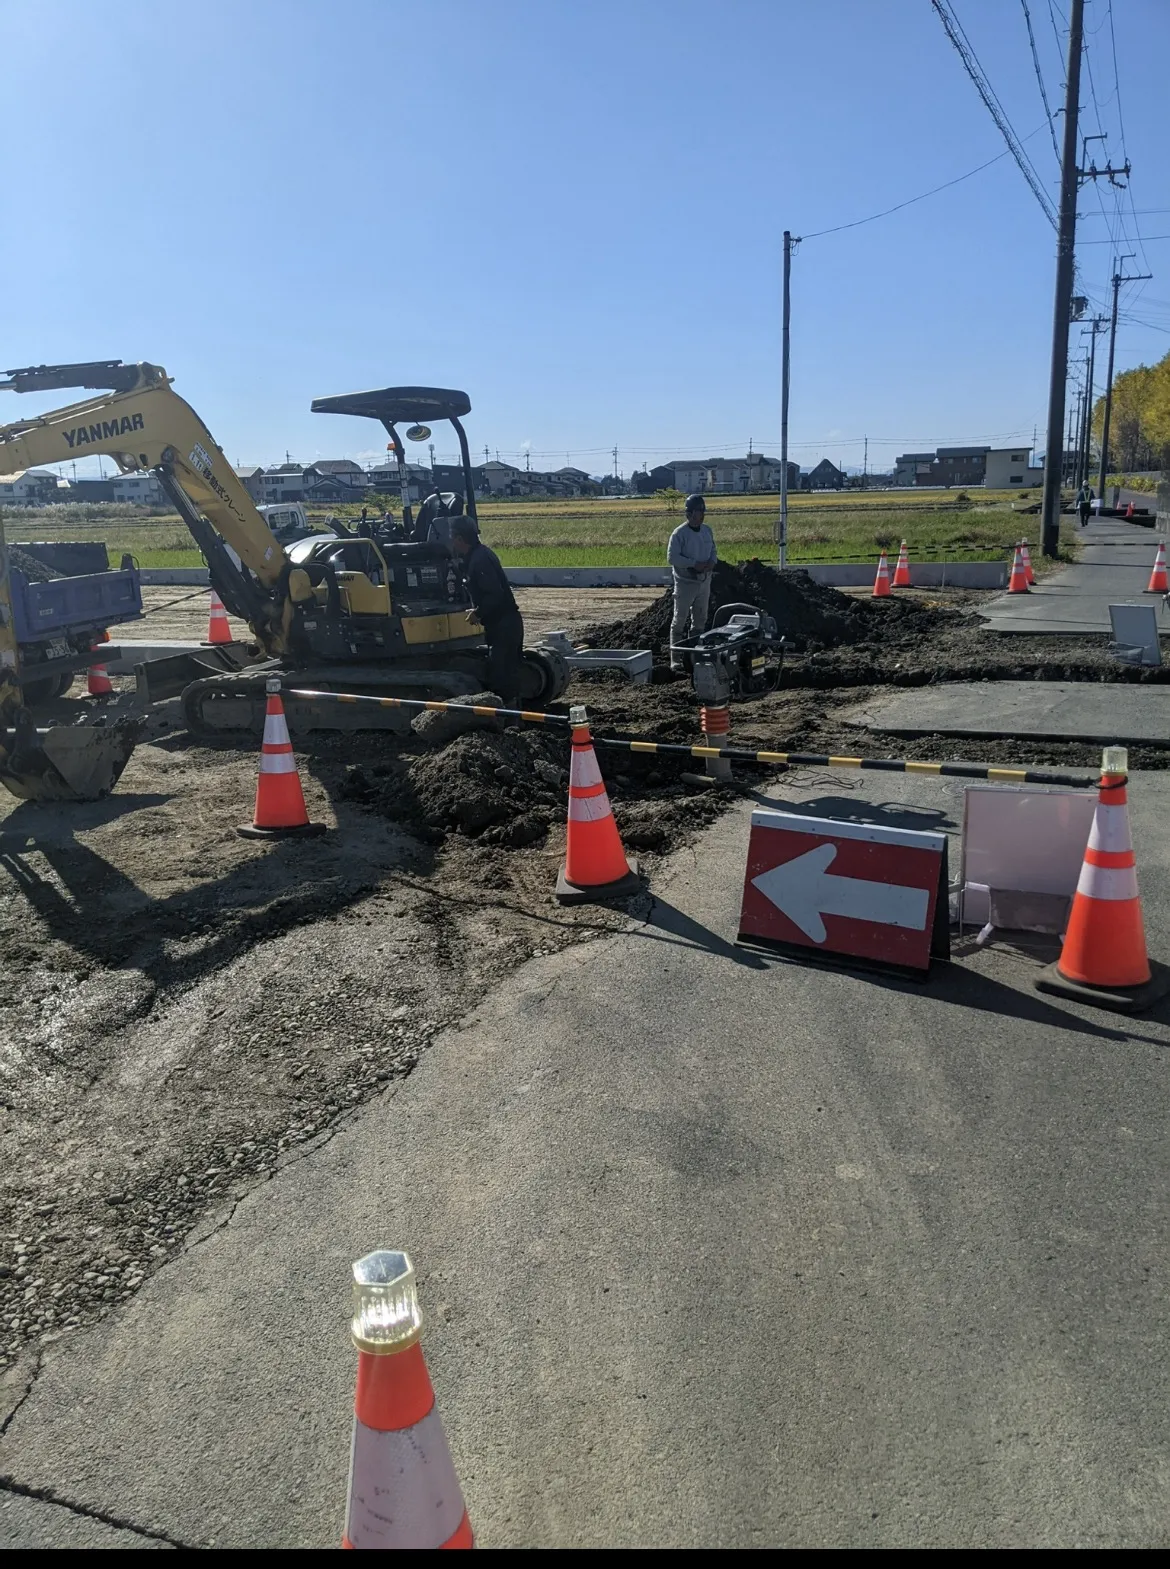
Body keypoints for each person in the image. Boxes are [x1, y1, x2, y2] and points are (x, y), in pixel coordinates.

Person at [449, 517, 524, 703]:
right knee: (508, 673)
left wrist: (478, 613)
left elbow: (494, 594)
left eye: (453, 538)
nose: (452, 542)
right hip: (504, 623)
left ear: (459, 538)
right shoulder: (480, 555)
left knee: (501, 677)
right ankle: (513, 711)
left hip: (504, 625)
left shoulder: (479, 560)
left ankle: (508, 715)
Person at [667, 493, 717, 672]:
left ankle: (695, 656)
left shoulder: (707, 531)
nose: (701, 515)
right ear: (689, 514)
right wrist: (693, 564)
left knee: (700, 620)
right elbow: (672, 557)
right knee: (679, 620)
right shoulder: (679, 534)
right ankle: (676, 659)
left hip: (704, 581)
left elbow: (713, 550)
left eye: (703, 511)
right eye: (698, 512)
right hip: (685, 583)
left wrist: (712, 562)